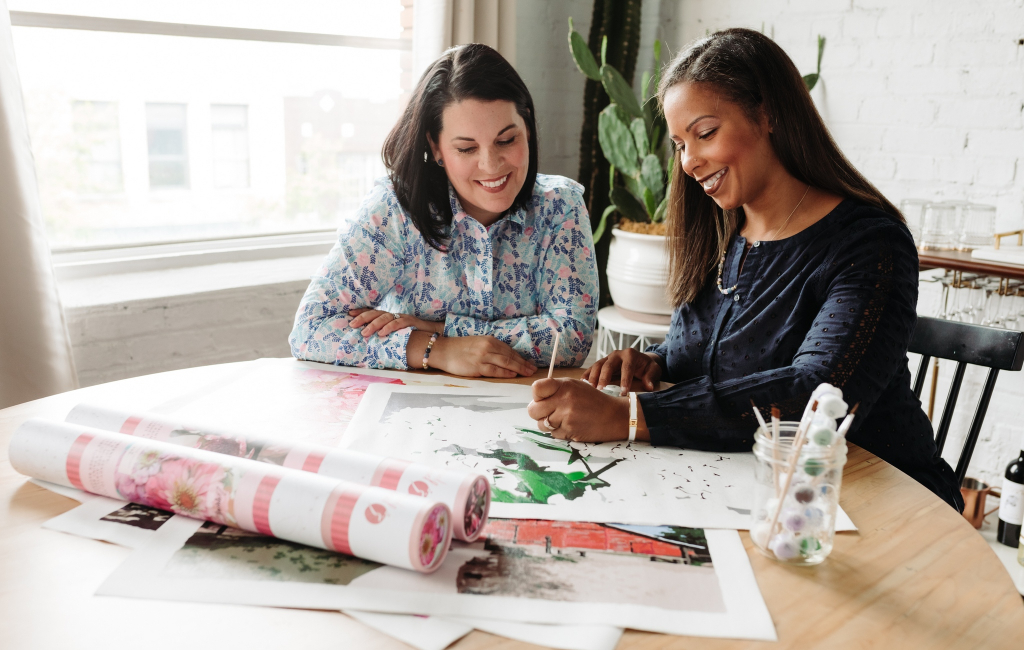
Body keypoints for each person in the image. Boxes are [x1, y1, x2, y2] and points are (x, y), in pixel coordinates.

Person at [526, 28, 962, 510]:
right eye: (678, 144)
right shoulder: (718, 231)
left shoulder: (869, 243)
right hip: (757, 493)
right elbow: (703, 352)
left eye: (705, 133)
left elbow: (813, 397)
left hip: (874, 501)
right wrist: (652, 362)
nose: (689, 161)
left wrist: (629, 414)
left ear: (767, 113)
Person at [289, 44, 598, 378]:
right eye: (466, 148)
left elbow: (572, 338)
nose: (491, 165)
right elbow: (311, 328)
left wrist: (437, 328)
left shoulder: (560, 205)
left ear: (528, 128)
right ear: (435, 147)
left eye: (507, 140)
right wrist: (437, 350)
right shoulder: (393, 210)